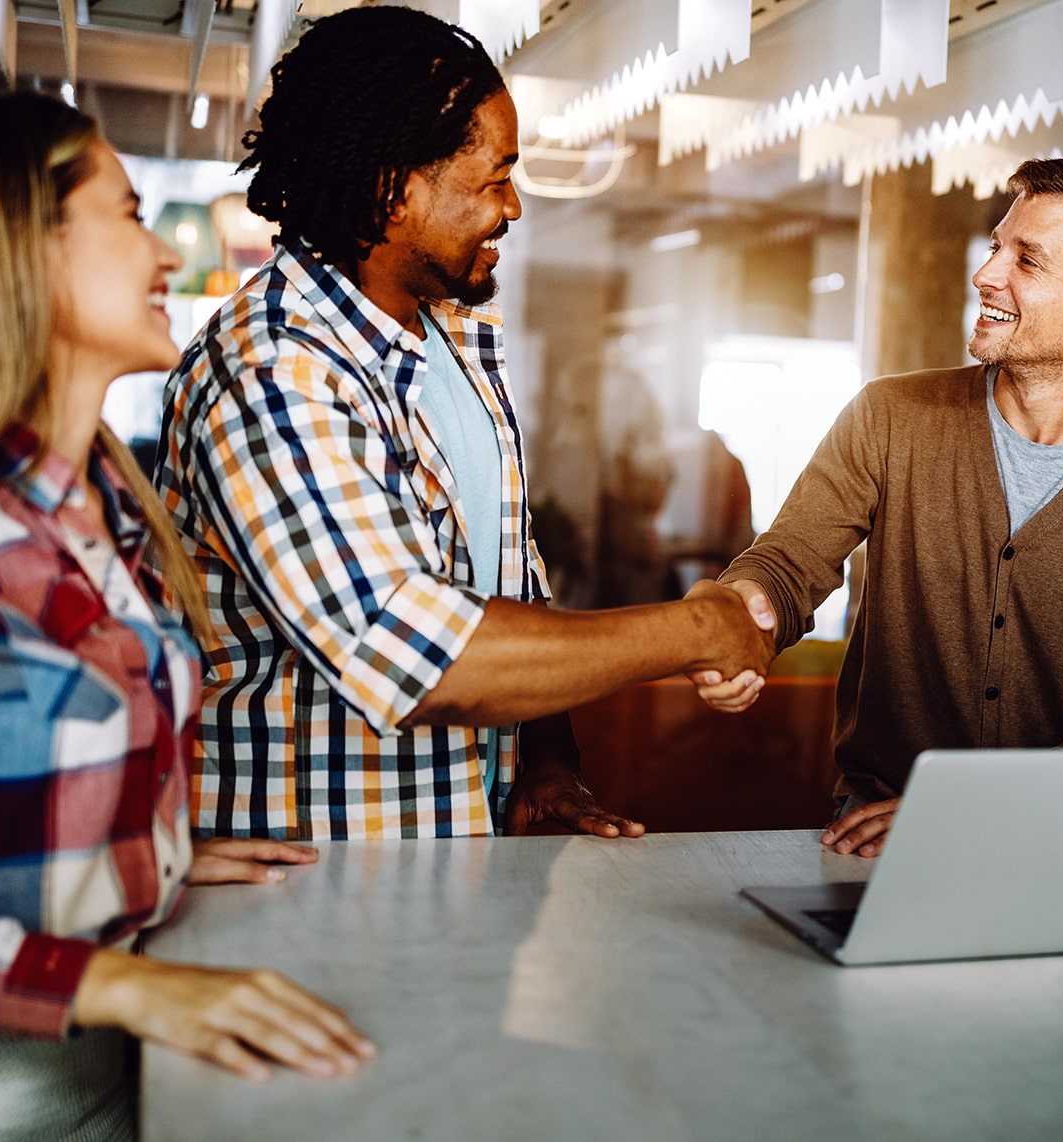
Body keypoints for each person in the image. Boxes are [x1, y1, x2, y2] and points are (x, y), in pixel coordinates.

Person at [0, 96, 372, 1140]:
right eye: (131, 214)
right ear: (17, 246)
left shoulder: (103, 507)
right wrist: (119, 980)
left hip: (98, 1086)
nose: (167, 251)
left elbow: (4, 789)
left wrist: (143, 853)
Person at [156, 7, 772, 843]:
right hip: (314, 873)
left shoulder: (452, 334)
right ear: (394, 187)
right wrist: (696, 628)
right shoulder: (272, 370)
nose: (513, 205)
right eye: (493, 178)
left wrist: (547, 758)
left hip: (451, 856)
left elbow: (509, 582)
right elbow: (411, 651)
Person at [696, 158, 1063, 857]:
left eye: (1027, 260)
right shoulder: (891, 415)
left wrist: (971, 809)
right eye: (996, 247)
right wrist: (746, 615)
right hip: (876, 828)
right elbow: (790, 561)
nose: (986, 274)